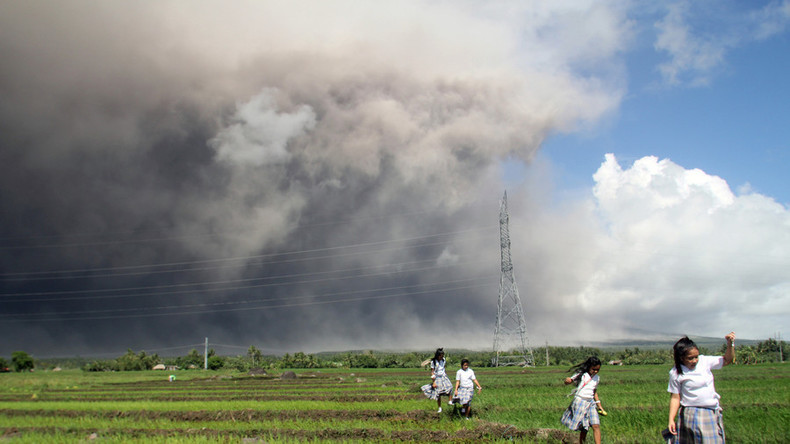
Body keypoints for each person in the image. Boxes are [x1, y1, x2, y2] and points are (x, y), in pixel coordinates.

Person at [667, 332, 735, 443]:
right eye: (690, 358)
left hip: (710, 412)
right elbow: (675, 397)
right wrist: (671, 420)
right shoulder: (675, 373)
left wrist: (730, 344)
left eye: (696, 357)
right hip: (690, 414)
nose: (694, 361)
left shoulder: (704, 361)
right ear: (681, 358)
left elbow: (727, 360)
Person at [561, 356, 604, 444]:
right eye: (594, 369)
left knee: (596, 425)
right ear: (589, 367)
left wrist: (599, 405)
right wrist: (567, 380)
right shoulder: (581, 374)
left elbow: (594, 391)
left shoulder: (597, 378)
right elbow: (568, 381)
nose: (595, 372)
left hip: (591, 403)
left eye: (597, 370)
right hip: (580, 401)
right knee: (584, 428)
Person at [420, 348, 453, 413]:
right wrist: (434, 382)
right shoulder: (434, 362)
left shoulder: (443, 360)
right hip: (437, 378)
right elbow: (432, 372)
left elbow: (443, 368)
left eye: (442, 356)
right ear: (438, 355)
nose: (442, 357)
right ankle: (439, 408)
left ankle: (450, 401)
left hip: (443, 376)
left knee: (450, 387)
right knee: (438, 393)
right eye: (441, 356)